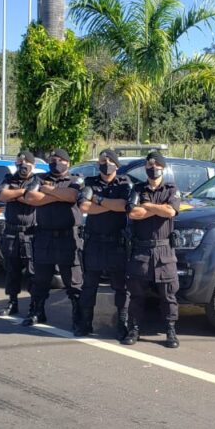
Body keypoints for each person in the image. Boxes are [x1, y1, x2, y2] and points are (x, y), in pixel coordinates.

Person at [18, 148, 83, 327]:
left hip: (68, 237)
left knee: (73, 281)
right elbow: (31, 197)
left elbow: (72, 196)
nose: (55, 162)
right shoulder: (38, 178)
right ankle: (37, 311)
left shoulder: (75, 179)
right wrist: (57, 195)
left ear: (67, 162)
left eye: (59, 159)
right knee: (40, 279)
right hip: (44, 236)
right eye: (52, 159)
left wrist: (48, 191)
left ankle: (78, 315)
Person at [124, 152, 181, 348]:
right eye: (149, 164)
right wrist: (157, 208)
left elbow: (170, 211)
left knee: (168, 295)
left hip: (164, 251)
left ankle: (170, 331)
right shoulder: (137, 189)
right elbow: (133, 213)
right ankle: (134, 329)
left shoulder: (171, 189)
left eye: (157, 164)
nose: (153, 167)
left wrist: (147, 206)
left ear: (163, 167)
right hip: (141, 251)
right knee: (136, 295)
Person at [76, 149, 132, 337]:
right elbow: (84, 206)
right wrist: (110, 205)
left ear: (117, 164)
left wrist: (98, 200)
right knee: (89, 285)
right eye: (102, 160)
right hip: (94, 243)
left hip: (116, 244)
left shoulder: (124, 183)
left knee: (121, 287)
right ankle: (85, 323)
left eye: (109, 160)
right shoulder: (91, 182)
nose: (106, 163)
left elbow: (124, 206)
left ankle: (122, 324)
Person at [0, 151, 40, 316]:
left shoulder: (38, 179)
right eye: (19, 163)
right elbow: (0, 194)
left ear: (32, 165)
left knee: (32, 271)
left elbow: (33, 198)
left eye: (26, 163)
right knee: (11, 269)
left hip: (31, 232)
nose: (22, 166)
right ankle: (12, 302)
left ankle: (34, 306)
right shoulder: (9, 179)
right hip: (11, 231)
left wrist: (14, 194)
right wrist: (22, 192)